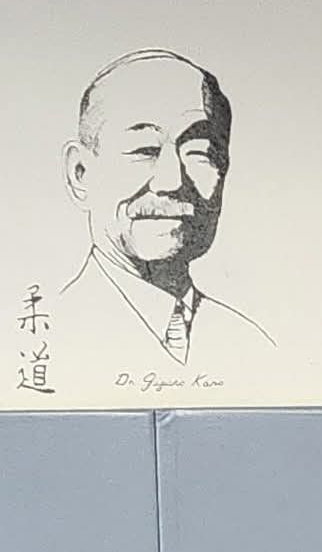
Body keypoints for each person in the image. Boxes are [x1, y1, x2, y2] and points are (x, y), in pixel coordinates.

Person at [56, 49, 273, 374]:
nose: (172, 181)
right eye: (144, 150)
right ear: (80, 173)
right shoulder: (49, 337)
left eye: (199, 152)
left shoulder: (255, 348)